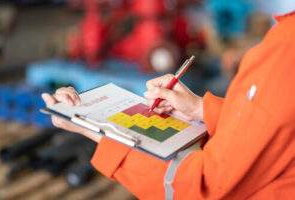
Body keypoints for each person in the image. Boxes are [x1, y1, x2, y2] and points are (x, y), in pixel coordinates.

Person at [42, 11, 295, 199]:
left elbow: (205, 187)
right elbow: (277, 130)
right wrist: (200, 109)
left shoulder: (285, 50)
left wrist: (92, 129)